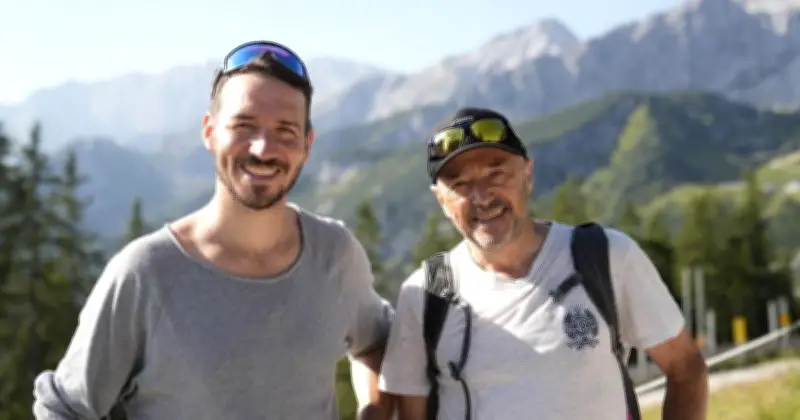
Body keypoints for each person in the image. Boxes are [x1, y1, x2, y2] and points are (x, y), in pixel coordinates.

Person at [32, 40, 394, 420]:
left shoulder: (334, 254)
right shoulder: (147, 272)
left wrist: (373, 413)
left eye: (285, 131)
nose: (263, 149)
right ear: (209, 131)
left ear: (307, 144)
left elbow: (378, 343)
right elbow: (63, 409)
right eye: (244, 126)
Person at [377, 107, 709, 420]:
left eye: (497, 173)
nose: (482, 196)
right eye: (459, 184)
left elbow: (686, 368)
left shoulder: (604, 257)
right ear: (441, 199)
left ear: (528, 174)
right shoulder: (424, 294)